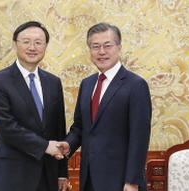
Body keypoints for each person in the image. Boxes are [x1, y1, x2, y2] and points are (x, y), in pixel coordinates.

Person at [56, 23, 152, 191]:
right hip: (89, 178)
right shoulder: (87, 84)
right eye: (96, 47)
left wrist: (132, 181)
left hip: (121, 181)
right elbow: (81, 127)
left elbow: (139, 137)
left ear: (119, 47)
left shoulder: (135, 85)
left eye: (107, 46)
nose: (102, 52)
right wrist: (68, 144)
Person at [0, 21, 68, 191]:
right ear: (15, 44)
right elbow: (7, 127)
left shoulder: (53, 82)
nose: (32, 47)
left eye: (38, 42)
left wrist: (62, 173)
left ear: (45, 46)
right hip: (14, 175)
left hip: (48, 174)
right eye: (26, 41)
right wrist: (45, 146)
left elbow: (59, 128)